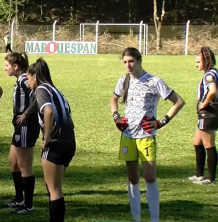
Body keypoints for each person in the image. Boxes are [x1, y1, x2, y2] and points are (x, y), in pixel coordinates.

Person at [110, 47, 185, 222]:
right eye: (125, 62)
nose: (128, 65)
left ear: (139, 61)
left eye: (131, 61)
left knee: (150, 177)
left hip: (146, 135)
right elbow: (113, 99)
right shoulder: (123, 81)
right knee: (132, 178)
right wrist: (116, 117)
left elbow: (179, 102)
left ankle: (154, 219)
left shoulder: (154, 81)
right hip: (128, 135)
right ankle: (136, 218)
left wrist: (161, 121)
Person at [26, 58, 76, 222]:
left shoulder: (41, 89)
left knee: (53, 189)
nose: (27, 81)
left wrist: (46, 138)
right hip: (69, 142)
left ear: (35, 76)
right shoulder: (56, 90)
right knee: (56, 187)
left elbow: (48, 111)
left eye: (28, 77)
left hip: (55, 143)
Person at [3, 52, 40, 214]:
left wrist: (25, 114)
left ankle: (28, 205)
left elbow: (39, 97)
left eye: (6, 66)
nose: (4, 69)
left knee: (25, 166)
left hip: (27, 126)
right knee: (13, 162)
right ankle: (19, 199)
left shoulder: (25, 79)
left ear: (15, 66)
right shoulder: (20, 80)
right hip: (19, 127)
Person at [188, 47, 218, 185]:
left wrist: (204, 104)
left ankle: (211, 179)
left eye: (198, 61)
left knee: (209, 145)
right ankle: (199, 174)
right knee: (197, 142)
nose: (196, 64)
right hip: (205, 114)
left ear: (206, 60)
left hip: (208, 113)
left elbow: (212, 91)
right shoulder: (213, 72)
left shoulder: (209, 75)